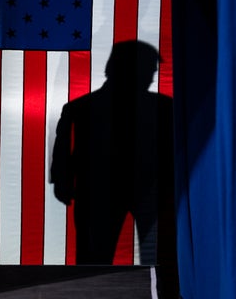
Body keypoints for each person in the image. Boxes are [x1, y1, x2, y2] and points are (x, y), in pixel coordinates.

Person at [50, 40, 178, 295]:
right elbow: (64, 149)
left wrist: (62, 181)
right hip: (119, 194)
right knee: (99, 259)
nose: (151, 76)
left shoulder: (80, 108)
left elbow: (64, 150)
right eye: (147, 70)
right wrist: (62, 180)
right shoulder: (163, 108)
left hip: (119, 194)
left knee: (155, 258)